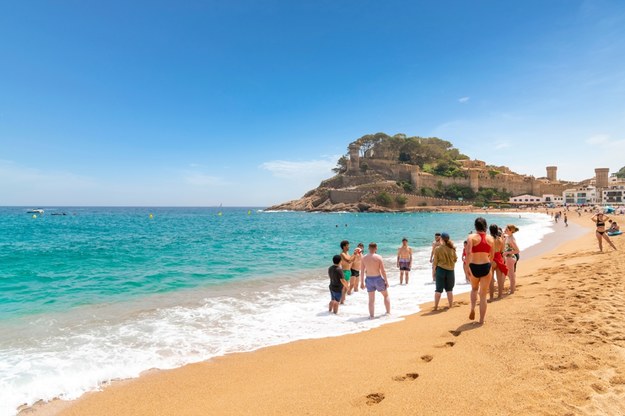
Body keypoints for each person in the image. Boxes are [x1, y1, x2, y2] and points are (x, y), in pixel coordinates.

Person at [466, 217, 495, 324]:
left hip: (474, 265)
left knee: (474, 289)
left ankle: (473, 308)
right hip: (486, 266)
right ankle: (481, 320)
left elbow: (468, 253)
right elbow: (492, 255)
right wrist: (489, 264)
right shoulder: (491, 239)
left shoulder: (471, 237)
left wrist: (467, 267)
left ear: (475, 226)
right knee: (483, 295)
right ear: (485, 226)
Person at [360, 242, 390, 319]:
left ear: (369, 248)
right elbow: (383, 271)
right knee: (386, 295)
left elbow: (362, 271)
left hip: (369, 279)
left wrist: (362, 282)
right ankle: (388, 313)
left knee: (371, 300)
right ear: (376, 248)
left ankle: (371, 316)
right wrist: (386, 281)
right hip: (378, 278)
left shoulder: (364, 258)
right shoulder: (379, 257)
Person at [432, 232, 457, 310]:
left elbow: (435, 262)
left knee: (438, 290)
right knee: (449, 290)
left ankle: (436, 306)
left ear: (441, 239)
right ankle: (450, 305)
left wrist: (433, 272)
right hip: (450, 271)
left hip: (441, 270)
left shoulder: (438, 249)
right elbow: (455, 259)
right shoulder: (452, 248)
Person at [489, 225, 509, 300]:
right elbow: (502, 250)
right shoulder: (500, 239)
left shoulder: (489, 239)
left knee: (491, 280)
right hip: (499, 258)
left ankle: (491, 297)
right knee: (499, 279)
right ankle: (500, 295)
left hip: (492, 258)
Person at [504, 225, 520, 294]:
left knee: (511, 274)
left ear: (511, 231)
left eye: (507, 229)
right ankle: (513, 288)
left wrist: (507, 252)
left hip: (510, 258)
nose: (505, 230)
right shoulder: (508, 237)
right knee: (509, 274)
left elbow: (517, 250)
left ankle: (512, 291)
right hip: (508, 258)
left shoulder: (511, 239)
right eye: (505, 229)